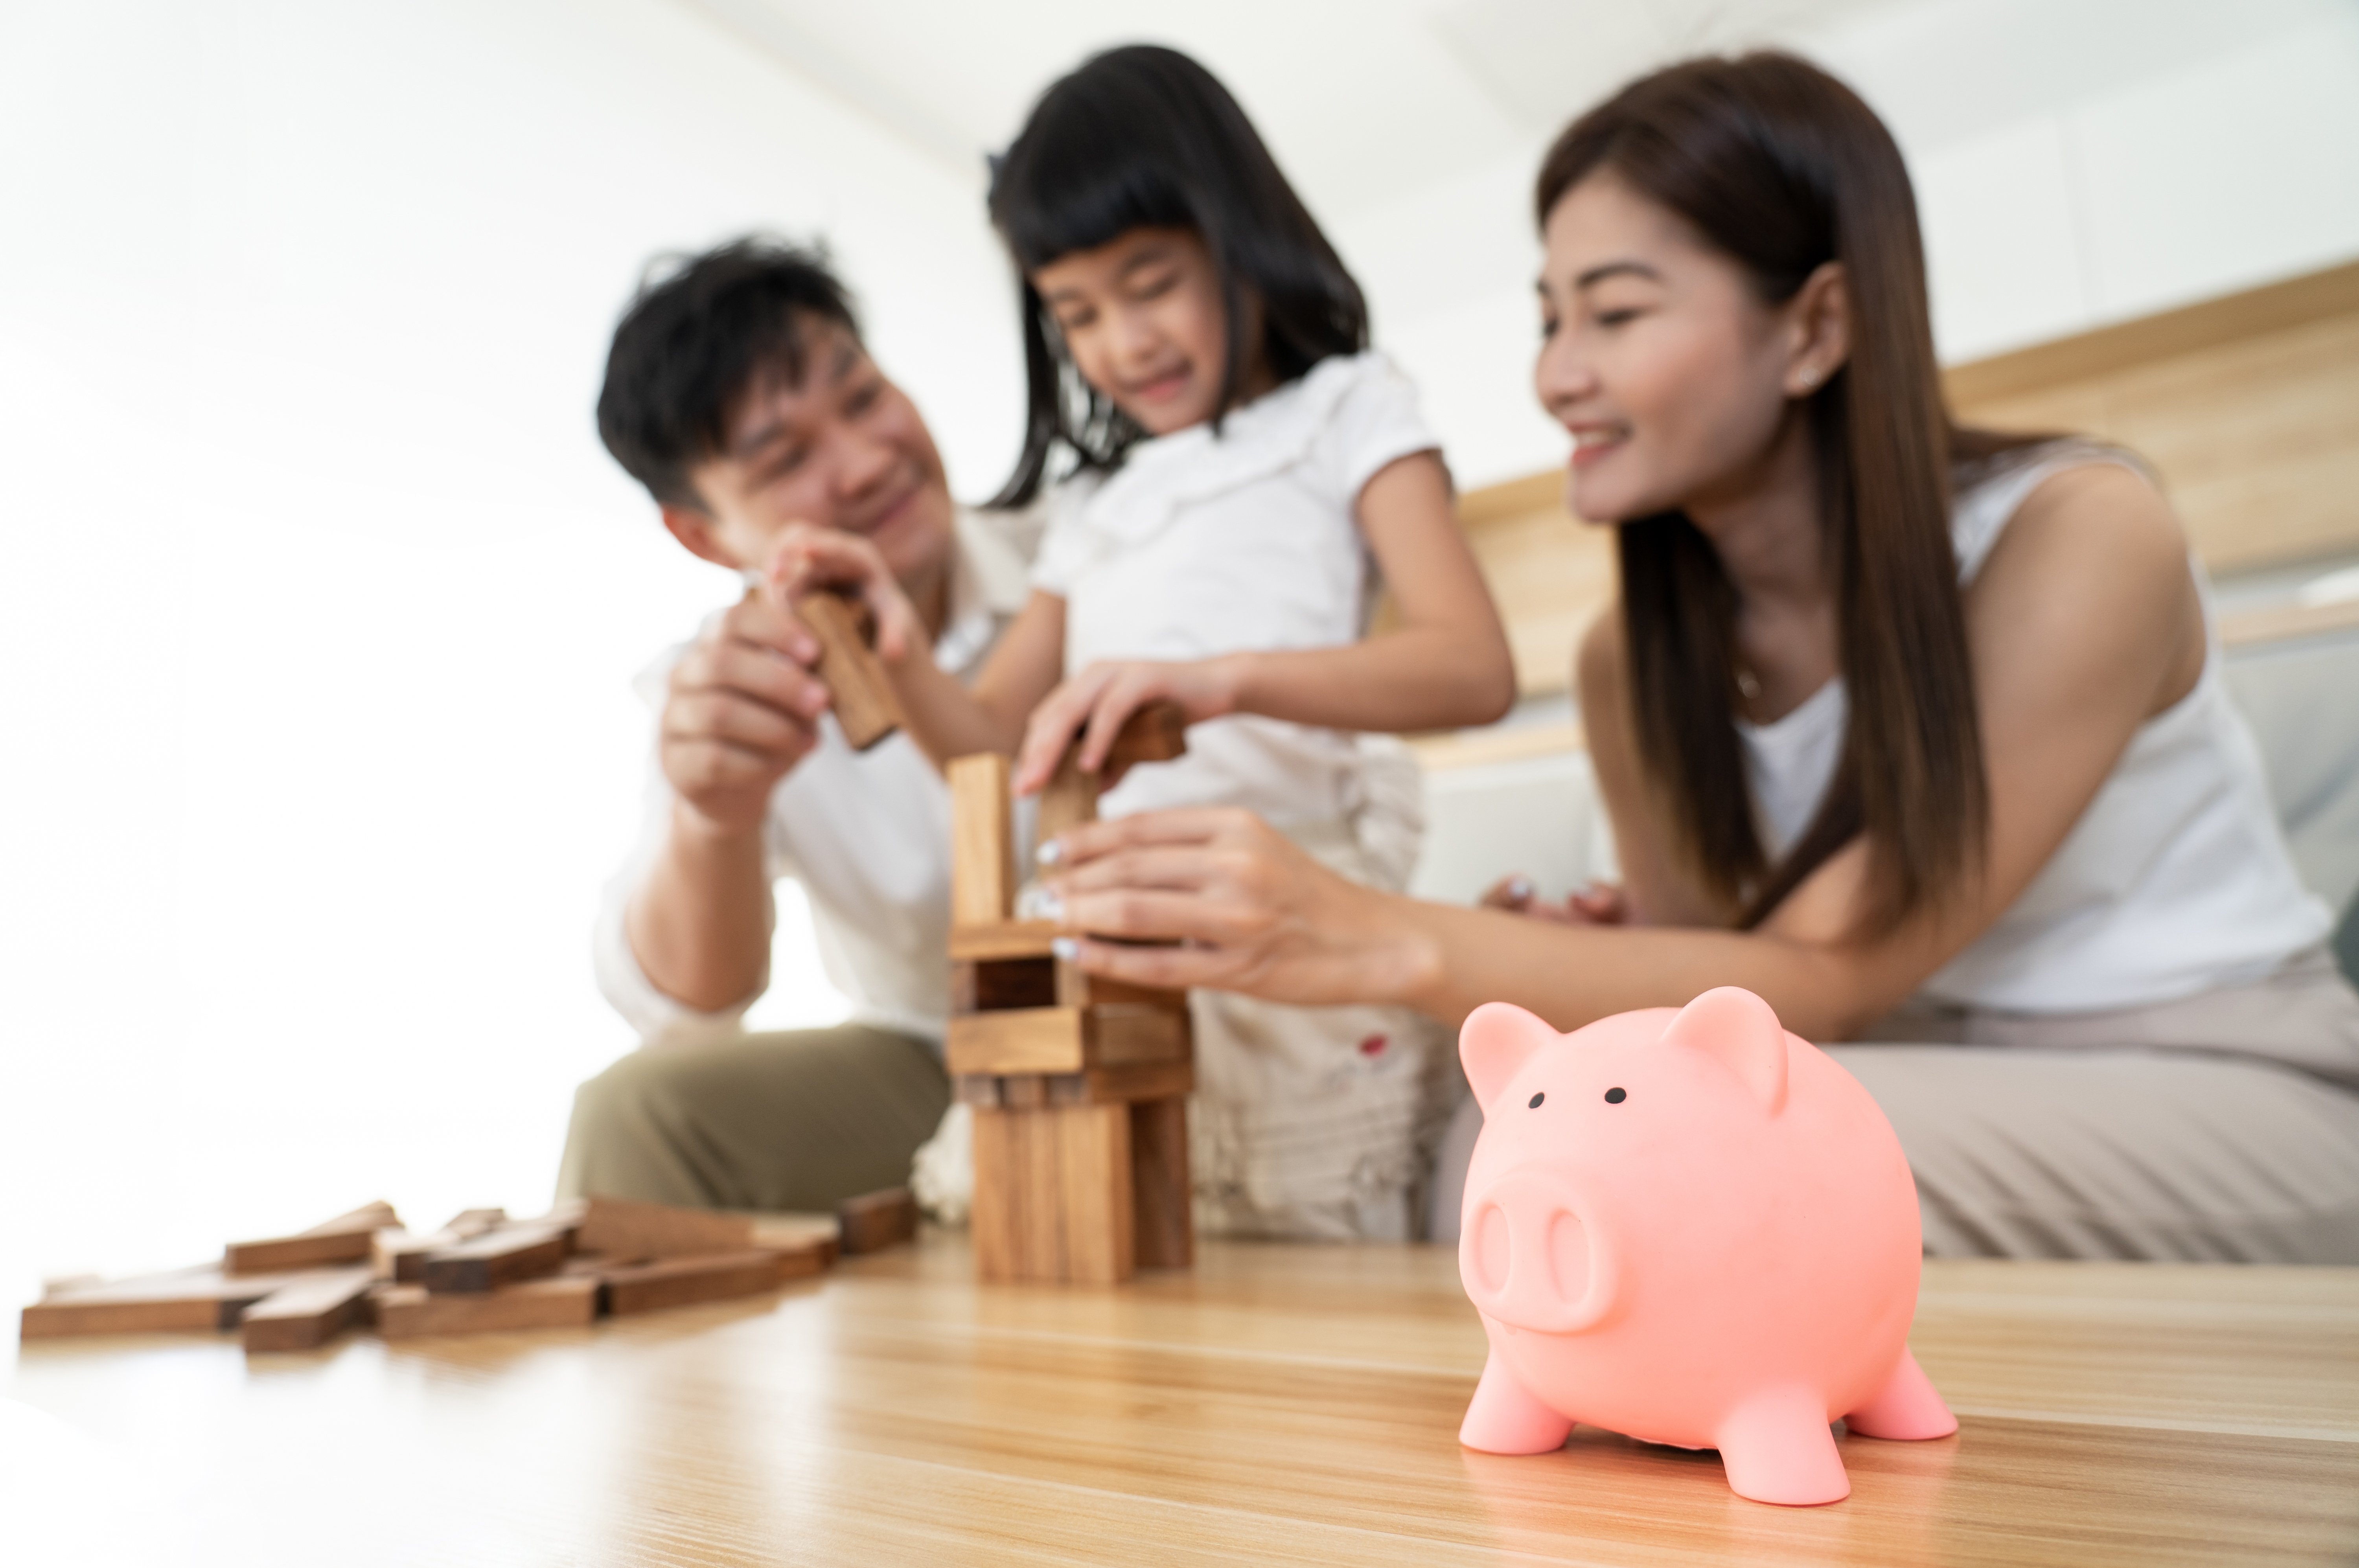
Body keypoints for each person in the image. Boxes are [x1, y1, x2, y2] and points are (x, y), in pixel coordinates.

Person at [1028, 53, 2359, 1263]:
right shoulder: (1630, 661)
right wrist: (1601, 951)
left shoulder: (2083, 534)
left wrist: (1375, 934)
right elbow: (1747, 984)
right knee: (1510, 1162)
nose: (1557, 376)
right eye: (1551, 320)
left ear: (1817, 328)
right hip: (1885, 1065)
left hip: (2215, 1077)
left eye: (1614, 314)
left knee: (1660, 1177)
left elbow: (1836, 974)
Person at [774, 46, 1517, 1239]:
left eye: (1151, 282)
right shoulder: (1096, 507)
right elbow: (986, 746)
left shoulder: (1349, 411)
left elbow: (1470, 667)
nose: (1122, 344)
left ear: (1240, 231)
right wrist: (898, 646)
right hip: (1114, 935)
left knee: (1298, 1262)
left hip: (1286, 914)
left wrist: (1221, 681)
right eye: (1077, 313)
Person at [559, 238, 1041, 1212]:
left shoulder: (1077, 561)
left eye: (863, 397)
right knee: (636, 1112)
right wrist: (713, 818)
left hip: (1165, 1015)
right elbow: (691, 1006)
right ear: (704, 534)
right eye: (786, 460)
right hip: (935, 1051)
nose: (867, 463)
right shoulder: (723, 685)